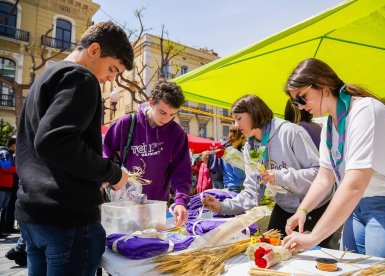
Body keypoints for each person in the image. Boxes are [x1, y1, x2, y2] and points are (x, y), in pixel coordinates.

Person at [15, 21, 132, 275]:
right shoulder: (81, 77)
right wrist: (111, 173)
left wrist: (89, 173)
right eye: (112, 68)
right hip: (66, 220)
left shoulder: (45, 77)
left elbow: (41, 146)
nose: (111, 78)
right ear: (93, 50)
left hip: (33, 214)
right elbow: (54, 141)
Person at [282, 58, 385, 259]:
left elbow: (354, 183)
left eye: (302, 98)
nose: (299, 107)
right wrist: (302, 210)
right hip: (356, 206)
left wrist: (313, 237)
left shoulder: (365, 111)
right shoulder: (329, 124)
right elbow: (324, 177)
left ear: (323, 86)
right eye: (295, 102)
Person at [203, 95, 334, 246]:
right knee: (271, 250)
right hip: (285, 206)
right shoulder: (250, 146)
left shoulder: (291, 132)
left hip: (316, 206)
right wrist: (222, 206)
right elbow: (252, 191)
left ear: (253, 113)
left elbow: (319, 174)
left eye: (238, 118)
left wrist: (280, 176)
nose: (236, 125)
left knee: (308, 258)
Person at [103, 79, 192, 227]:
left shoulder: (176, 133)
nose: (166, 119)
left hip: (156, 206)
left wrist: (180, 202)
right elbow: (106, 152)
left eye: (172, 115)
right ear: (151, 103)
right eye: (162, 112)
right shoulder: (127, 123)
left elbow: (181, 171)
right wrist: (111, 176)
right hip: (124, 205)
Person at [1, 137, 19, 234]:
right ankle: (3, 228)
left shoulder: (9, 154)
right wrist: (17, 168)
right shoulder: (5, 153)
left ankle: (6, 227)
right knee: (3, 208)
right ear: (12, 146)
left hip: (9, 186)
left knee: (7, 208)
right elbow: (6, 167)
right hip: (4, 186)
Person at [222, 127, 246, 193]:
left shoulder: (226, 149)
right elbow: (238, 173)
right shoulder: (234, 152)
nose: (245, 141)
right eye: (244, 138)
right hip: (237, 185)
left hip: (228, 184)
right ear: (241, 137)